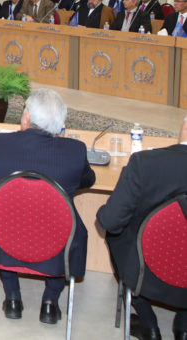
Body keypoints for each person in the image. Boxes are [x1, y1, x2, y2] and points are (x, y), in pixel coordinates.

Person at [0, 88, 95, 325]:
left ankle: (12, 297)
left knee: (8, 219)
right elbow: (88, 180)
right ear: (60, 125)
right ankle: (50, 301)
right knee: (67, 226)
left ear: (25, 118)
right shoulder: (76, 151)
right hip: (56, 240)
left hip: (6, 236)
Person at [97, 119, 187, 340]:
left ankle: (148, 323)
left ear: (183, 128)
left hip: (146, 268)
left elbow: (110, 221)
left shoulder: (144, 163)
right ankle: (184, 326)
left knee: (116, 233)